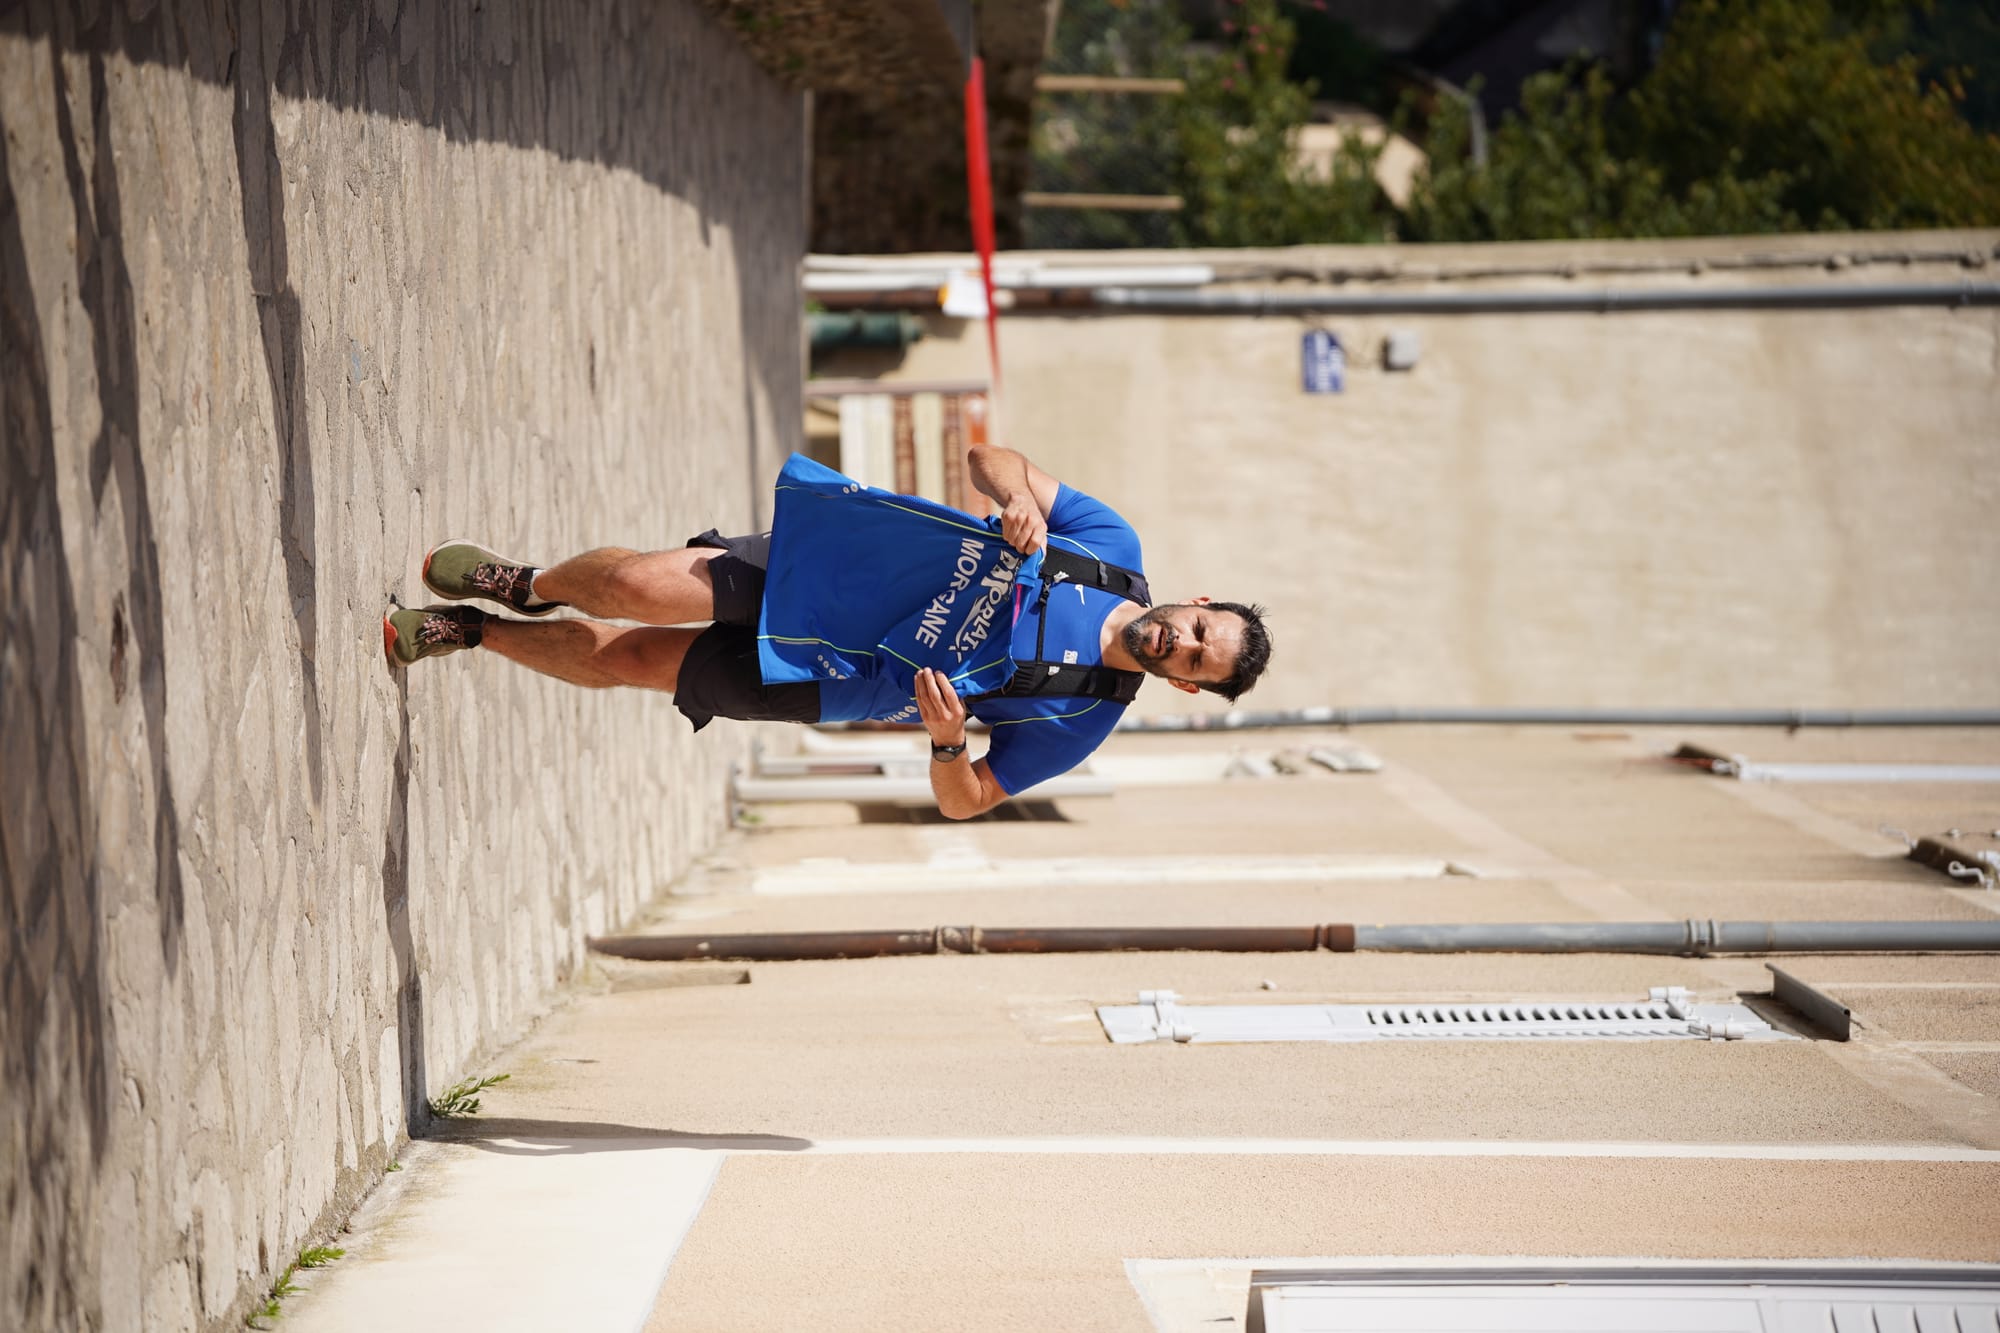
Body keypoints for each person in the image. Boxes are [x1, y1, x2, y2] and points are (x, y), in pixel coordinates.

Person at [383, 443, 1271, 818]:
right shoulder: (1111, 547)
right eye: (1198, 626)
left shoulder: (1083, 717)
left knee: (632, 658)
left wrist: (949, 743)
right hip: (837, 563)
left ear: (1187, 684)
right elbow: (988, 456)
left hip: (833, 675)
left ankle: (473, 634)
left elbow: (970, 801)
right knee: (628, 585)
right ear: (1193, 600)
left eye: (1195, 658)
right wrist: (1013, 502)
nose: (1180, 641)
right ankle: (528, 583)